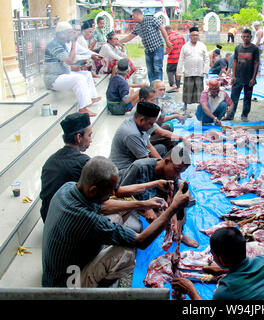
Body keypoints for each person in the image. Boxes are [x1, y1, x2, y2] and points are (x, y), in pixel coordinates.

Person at [42, 156, 191, 287]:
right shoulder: (86, 219)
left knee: (119, 213)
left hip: (57, 269)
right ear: (93, 190)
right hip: (66, 283)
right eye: (109, 192)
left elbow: (105, 206)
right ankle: (90, 293)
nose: (113, 194)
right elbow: (141, 241)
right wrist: (173, 207)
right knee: (125, 254)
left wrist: (144, 203)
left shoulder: (67, 188)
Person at [39, 112, 173, 227]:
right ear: (78, 138)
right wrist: (142, 204)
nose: (91, 140)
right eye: (89, 135)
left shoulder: (51, 160)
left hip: (48, 216)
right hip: (65, 222)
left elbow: (116, 191)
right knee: (134, 226)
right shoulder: (84, 164)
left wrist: (154, 185)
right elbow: (103, 204)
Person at [171, 227, 264, 300]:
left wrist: (190, 290)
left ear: (221, 259)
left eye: (213, 254)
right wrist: (224, 270)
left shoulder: (225, 292)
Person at [119, 145, 198, 248]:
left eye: (180, 172)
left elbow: (171, 201)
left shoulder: (171, 175)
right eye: (176, 169)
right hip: (134, 202)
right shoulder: (139, 167)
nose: (177, 175)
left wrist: (173, 219)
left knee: (182, 189)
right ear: (166, 161)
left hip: (154, 199)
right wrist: (144, 207)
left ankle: (177, 232)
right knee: (135, 228)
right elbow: (121, 194)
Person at [43, 21, 101, 117]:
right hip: (53, 78)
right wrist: (74, 43)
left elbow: (73, 58)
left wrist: (90, 56)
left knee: (85, 74)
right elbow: (70, 60)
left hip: (63, 74)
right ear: (61, 33)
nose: (72, 35)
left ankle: (90, 99)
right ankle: (82, 108)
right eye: (70, 32)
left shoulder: (62, 43)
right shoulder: (54, 45)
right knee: (79, 79)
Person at [119, 8, 173, 83]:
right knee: (150, 70)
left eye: (133, 16)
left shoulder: (151, 19)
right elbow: (130, 37)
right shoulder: (137, 26)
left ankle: (159, 86)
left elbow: (162, 29)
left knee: (157, 68)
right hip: (148, 50)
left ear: (138, 14)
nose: (132, 17)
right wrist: (118, 41)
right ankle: (152, 86)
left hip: (157, 48)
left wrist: (167, 41)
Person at [224, 29, 259, 122]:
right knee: (234, 98)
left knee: (247, 98)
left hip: (249, 78)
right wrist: (233, 76)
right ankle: (230, 115)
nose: (246, 38)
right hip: (238, 77)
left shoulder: (255, 49)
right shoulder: (238, 48)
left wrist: (253, 78)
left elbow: (256, 63)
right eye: (244, 36)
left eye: (248, 36)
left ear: (251, 37)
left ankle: (244, 115)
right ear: (241, 37)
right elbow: (235, 62)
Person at [176, 27, 209, 110]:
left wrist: (206, 70)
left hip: (199, 72)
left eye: (197, 35)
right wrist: (178, 73)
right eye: (193, 35)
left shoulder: (202, 46)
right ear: (190, 36)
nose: (195, 37)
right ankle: (185, 105)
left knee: (200, 91)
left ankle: (201, 106)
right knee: (187, 90)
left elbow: (206, 59)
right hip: (188, 72)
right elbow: (181, 60)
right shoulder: (185, 47)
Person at [164, 25, 185, 92]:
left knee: (170, 71)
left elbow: (168, 49)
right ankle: (177, 86)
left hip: (172, 58)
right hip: (180, 58)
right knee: (178, 72)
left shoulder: (169, 37)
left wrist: (163, 53)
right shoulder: (181, 36)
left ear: (167, 30)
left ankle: (173, 85)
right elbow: (184, 46)